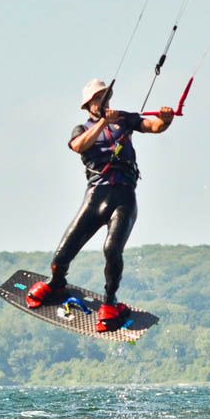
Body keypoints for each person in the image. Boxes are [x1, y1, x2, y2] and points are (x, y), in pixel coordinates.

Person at [25, 79, 175, 332]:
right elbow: (78, 146)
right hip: (96, 196)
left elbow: (154, 126)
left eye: (105, 97)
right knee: (62, 253)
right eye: (98, 99)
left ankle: (110, 303)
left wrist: (166, 119)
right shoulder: (80, 128)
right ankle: (56, 283)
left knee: (112, 250)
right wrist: (105, 121)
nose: (103, 102)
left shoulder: (125, 120)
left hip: (124, 196)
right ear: (88, 105)